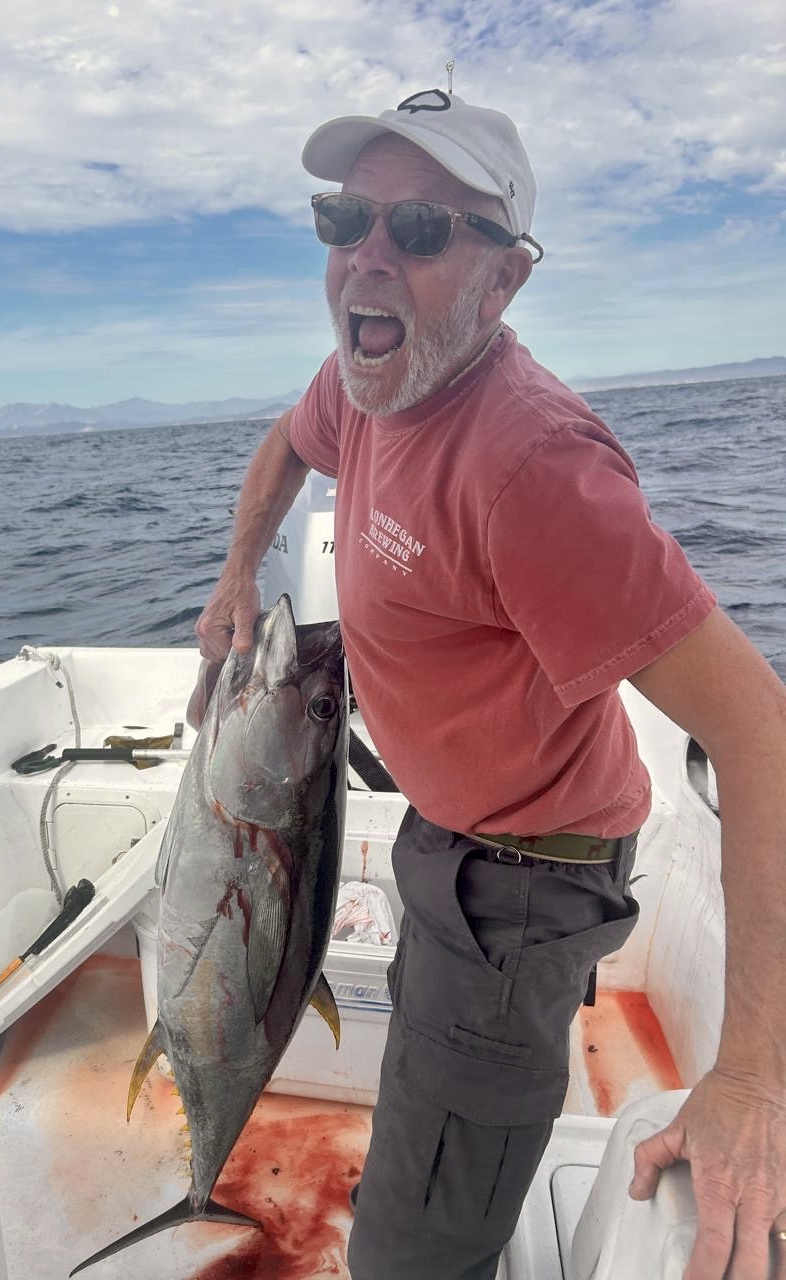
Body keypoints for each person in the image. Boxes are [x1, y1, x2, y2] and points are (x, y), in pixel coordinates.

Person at [195, 87, 786, 1280]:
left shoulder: (534, 470)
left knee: (410, 1255)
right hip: (443, 839)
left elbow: (762, 732)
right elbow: (285, 442)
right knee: (437, 1128)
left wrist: (750, 1079)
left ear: (503, 282)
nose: (368, 253)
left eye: (419, 232)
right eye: (348, 216)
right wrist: (235, 575)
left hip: (520, 891)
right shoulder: (369, 375)